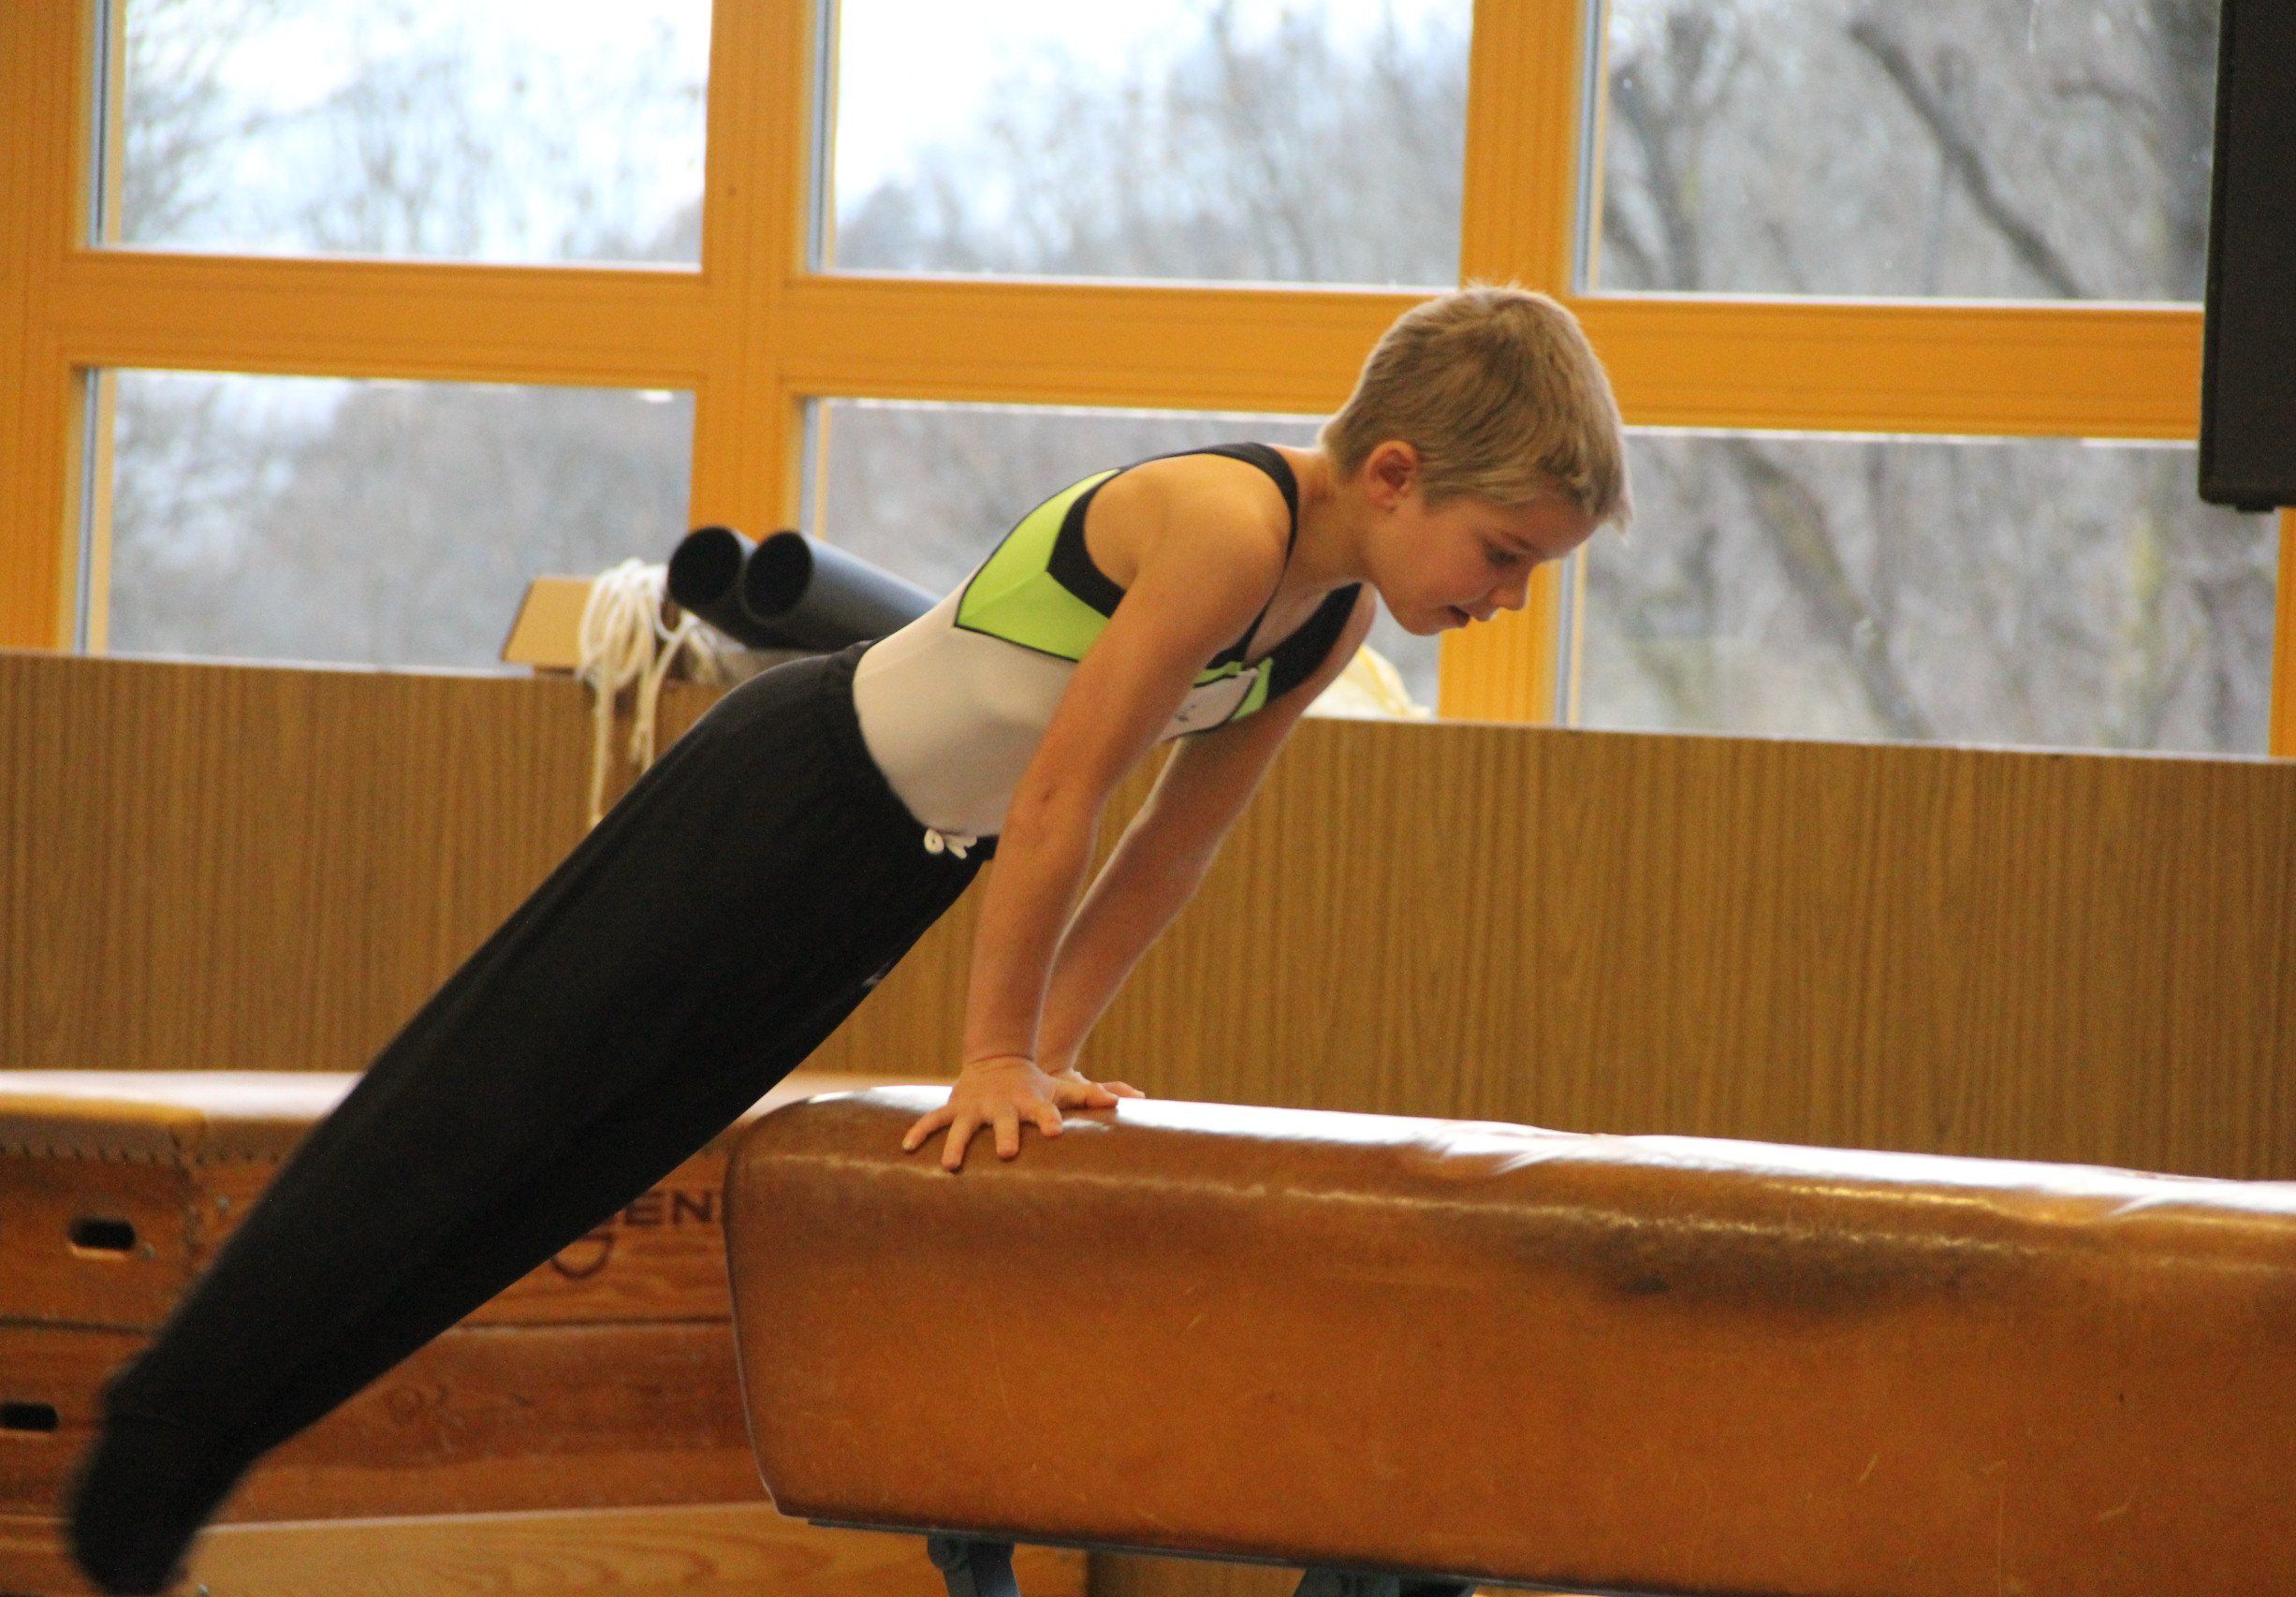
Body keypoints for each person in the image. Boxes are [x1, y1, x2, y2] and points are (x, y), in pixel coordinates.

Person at [66, 283, 1632, 1594]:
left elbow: (1171, 849)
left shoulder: (1328, 619)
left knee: (558, 1184)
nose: (1510, 598)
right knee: (471, 1117)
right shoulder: (1227, 525)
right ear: (1396, 474)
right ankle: (167, 1420)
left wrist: (1052, 1056)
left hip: (885, 872)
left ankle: (205, 1453)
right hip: (786, 790)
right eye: (1507, 554)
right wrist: (993, 1051)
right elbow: (1063, 798)